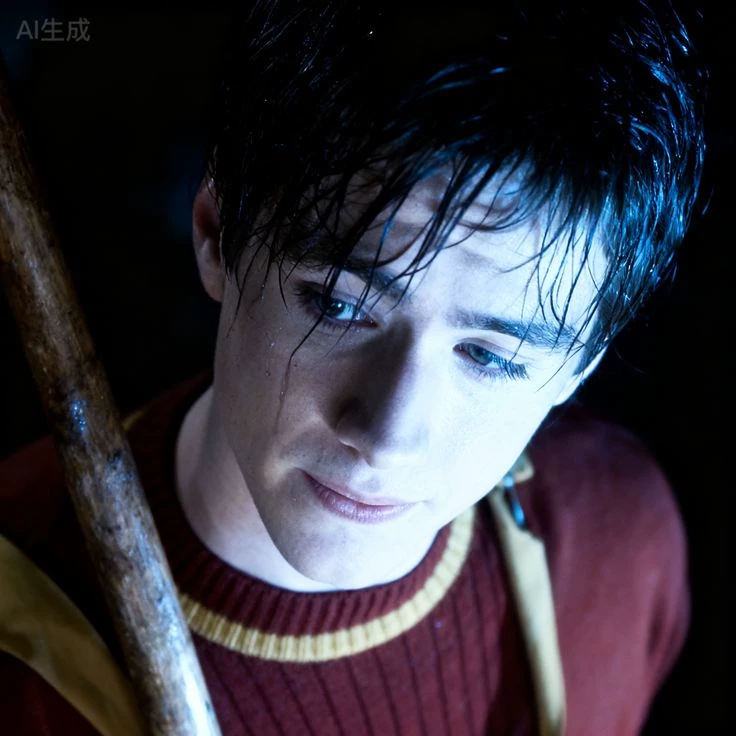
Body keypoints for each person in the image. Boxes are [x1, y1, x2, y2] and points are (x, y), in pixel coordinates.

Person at [0, 1, 705, 734]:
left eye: (491, 357)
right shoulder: (18, 660)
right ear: (217, 232)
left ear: (582, 364)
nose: (388, 436)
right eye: (339, 305)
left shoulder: (613, 551)